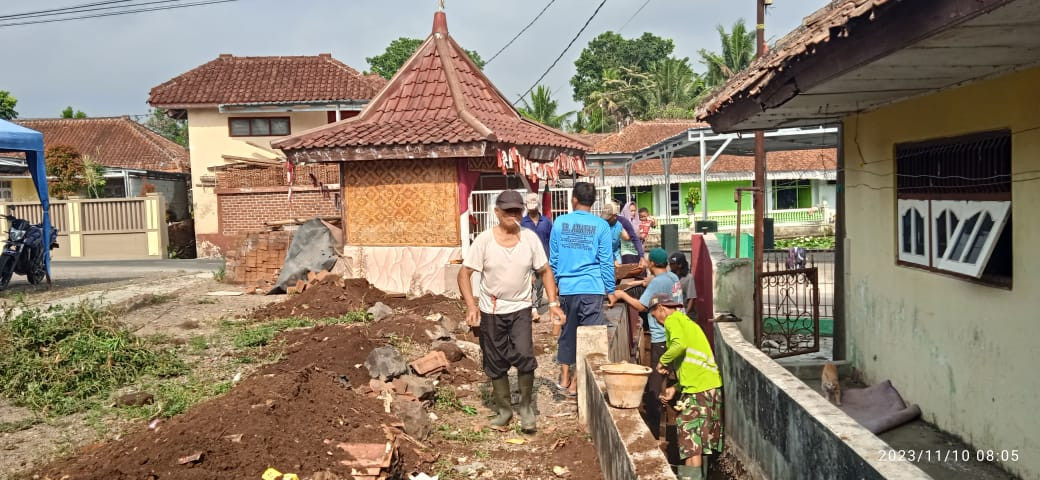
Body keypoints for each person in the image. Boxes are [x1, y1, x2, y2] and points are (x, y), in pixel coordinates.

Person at [458, 190, 566, 433]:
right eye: (507, 211)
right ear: (497, 213)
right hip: (491, 310)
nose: (512, 215)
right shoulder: (484, 241)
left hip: (520, 308)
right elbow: (464, 274)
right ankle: (505, 411)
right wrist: (471, 306)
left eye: (517, 211)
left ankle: (526, 407)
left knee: (525, 355)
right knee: (495, 361)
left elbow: (545, 271)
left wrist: (553, 304)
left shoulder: (530, 239)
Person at [648, 292, 723, 480]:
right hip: (709, 389)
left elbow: (679, 345)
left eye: (654, 315)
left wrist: (663, 361)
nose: (655, 320)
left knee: (691, 445)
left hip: (699, 391)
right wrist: (677, 388)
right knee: (701, 444)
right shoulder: (688, 323)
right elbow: (693, 364)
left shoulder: (672, 321)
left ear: (661, 309)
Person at [549, 182, 614, 397]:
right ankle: (576, 384)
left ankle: (565, 377)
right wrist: (610, 288)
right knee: (588, 335)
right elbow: (606, 261)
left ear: (573, 199)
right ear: (593, 202)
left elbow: (554, 259)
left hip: (567, 288)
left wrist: (558, 283)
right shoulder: (602, 226)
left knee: (567, 332)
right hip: (591, 287)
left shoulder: (559, 222)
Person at [608, 248, 681, 438]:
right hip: (675, 335)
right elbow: (657, 285)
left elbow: (642, 305)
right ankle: (671, 422)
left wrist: (622, 295)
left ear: (652, 264)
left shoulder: (658, 282)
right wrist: (644, 282)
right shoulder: (672, 277)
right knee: (676, 378)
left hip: (661, 338)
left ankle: (655, 430)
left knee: (655, 386)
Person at [521, 192, 552, 322]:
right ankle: (533, 310)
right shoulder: (523, 223)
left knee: (540, 285)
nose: (532, 209)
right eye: (530, 206)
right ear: (526, 206)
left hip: (544, 259)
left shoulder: (546, 222)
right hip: (529, 260)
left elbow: (551, 239)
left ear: (538, 205)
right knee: (531, 285)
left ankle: (536, 306)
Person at [600, 201, 645, 267]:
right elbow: (602, 244)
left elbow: (635, 238)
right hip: (603, 251)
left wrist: (642, 256)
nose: (606, 220)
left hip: (616, 251)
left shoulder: (622, 223)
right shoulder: (601, 223)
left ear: (615, 216)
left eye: (608, 218)